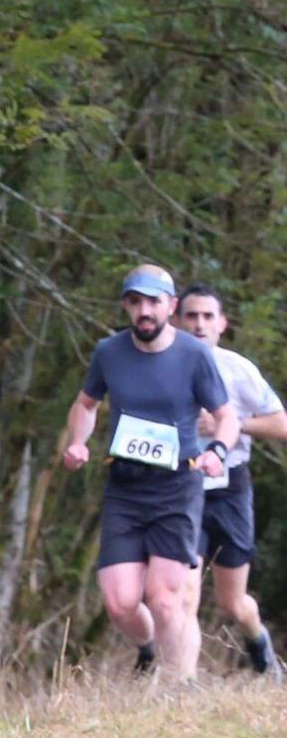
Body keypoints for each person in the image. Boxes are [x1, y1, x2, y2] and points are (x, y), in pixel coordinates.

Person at [62, 265, 237, 685]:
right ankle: (147, 651)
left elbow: (226, 415)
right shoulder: (109, 352)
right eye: (136, 301)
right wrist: (77, 442)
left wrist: (217, 450)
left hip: (177, 484)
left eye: (154, 302)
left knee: (164, 598)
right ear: (126, 305)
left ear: (171, 307)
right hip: (124, 484)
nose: (145, 310)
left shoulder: (194, 355)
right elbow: (86, 404)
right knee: (121, 602)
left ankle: (179, 688)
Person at [175, 285, 284, 679]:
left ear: (222, 324)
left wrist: (232, 425)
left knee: (233, 603)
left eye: (207, 316)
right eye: (191, 316)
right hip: (180, 488)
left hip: (230, 489)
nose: (199, 324)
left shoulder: (239, 370)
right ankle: (183, 686)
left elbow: (281, 424)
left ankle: (262, 652)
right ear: (177, 320)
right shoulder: (162, 366)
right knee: (184, 596)